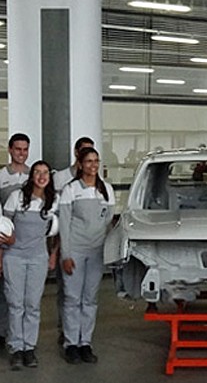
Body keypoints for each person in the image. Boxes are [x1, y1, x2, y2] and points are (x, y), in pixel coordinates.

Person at [59, 148, 115, 364]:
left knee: (90, 299)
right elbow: (64, 224)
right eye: (89, 161)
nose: (93, 165)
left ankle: (85, 343)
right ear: (80, 164)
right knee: (72, 298)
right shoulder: (71, 190)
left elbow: (108, 219)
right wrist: (66, 254)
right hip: (75, 251)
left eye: (96, 161)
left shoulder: (106, 190)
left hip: (96, 253)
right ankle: (71, 343)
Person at [2, 161, 57, 370]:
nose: (41, 177)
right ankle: (16, 348)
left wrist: (53, 255)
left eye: (45, 173)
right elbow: (4, 226)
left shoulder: (53, 201)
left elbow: (55, 231)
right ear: (31, 175)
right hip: (14, 257)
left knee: (32, 305)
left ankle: (29, 348)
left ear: (49, 177)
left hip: (38, 258)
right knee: (16, 304)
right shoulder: (16, 197)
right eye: (37, 172)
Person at [52, 137, 95, 345]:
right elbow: (56, 213)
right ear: (77, 154)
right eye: (85, 154)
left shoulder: (100, 187)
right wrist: (58, 249)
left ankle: (82, 338)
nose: (90, 161)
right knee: (67, 292)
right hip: (65, 240)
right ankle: (67, 331)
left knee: (86, 296)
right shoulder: (61, 179)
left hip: (89, 247)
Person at [0, 133, 30, 349]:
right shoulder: (1, 176)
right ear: (10, 150)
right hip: (5, 242)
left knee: (25, 297)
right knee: (6, 293)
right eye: (18, 149)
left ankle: (24, 339)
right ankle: (4, 334)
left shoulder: (35, 175)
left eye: (25, 149)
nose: (22, 153)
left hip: (29, 242)